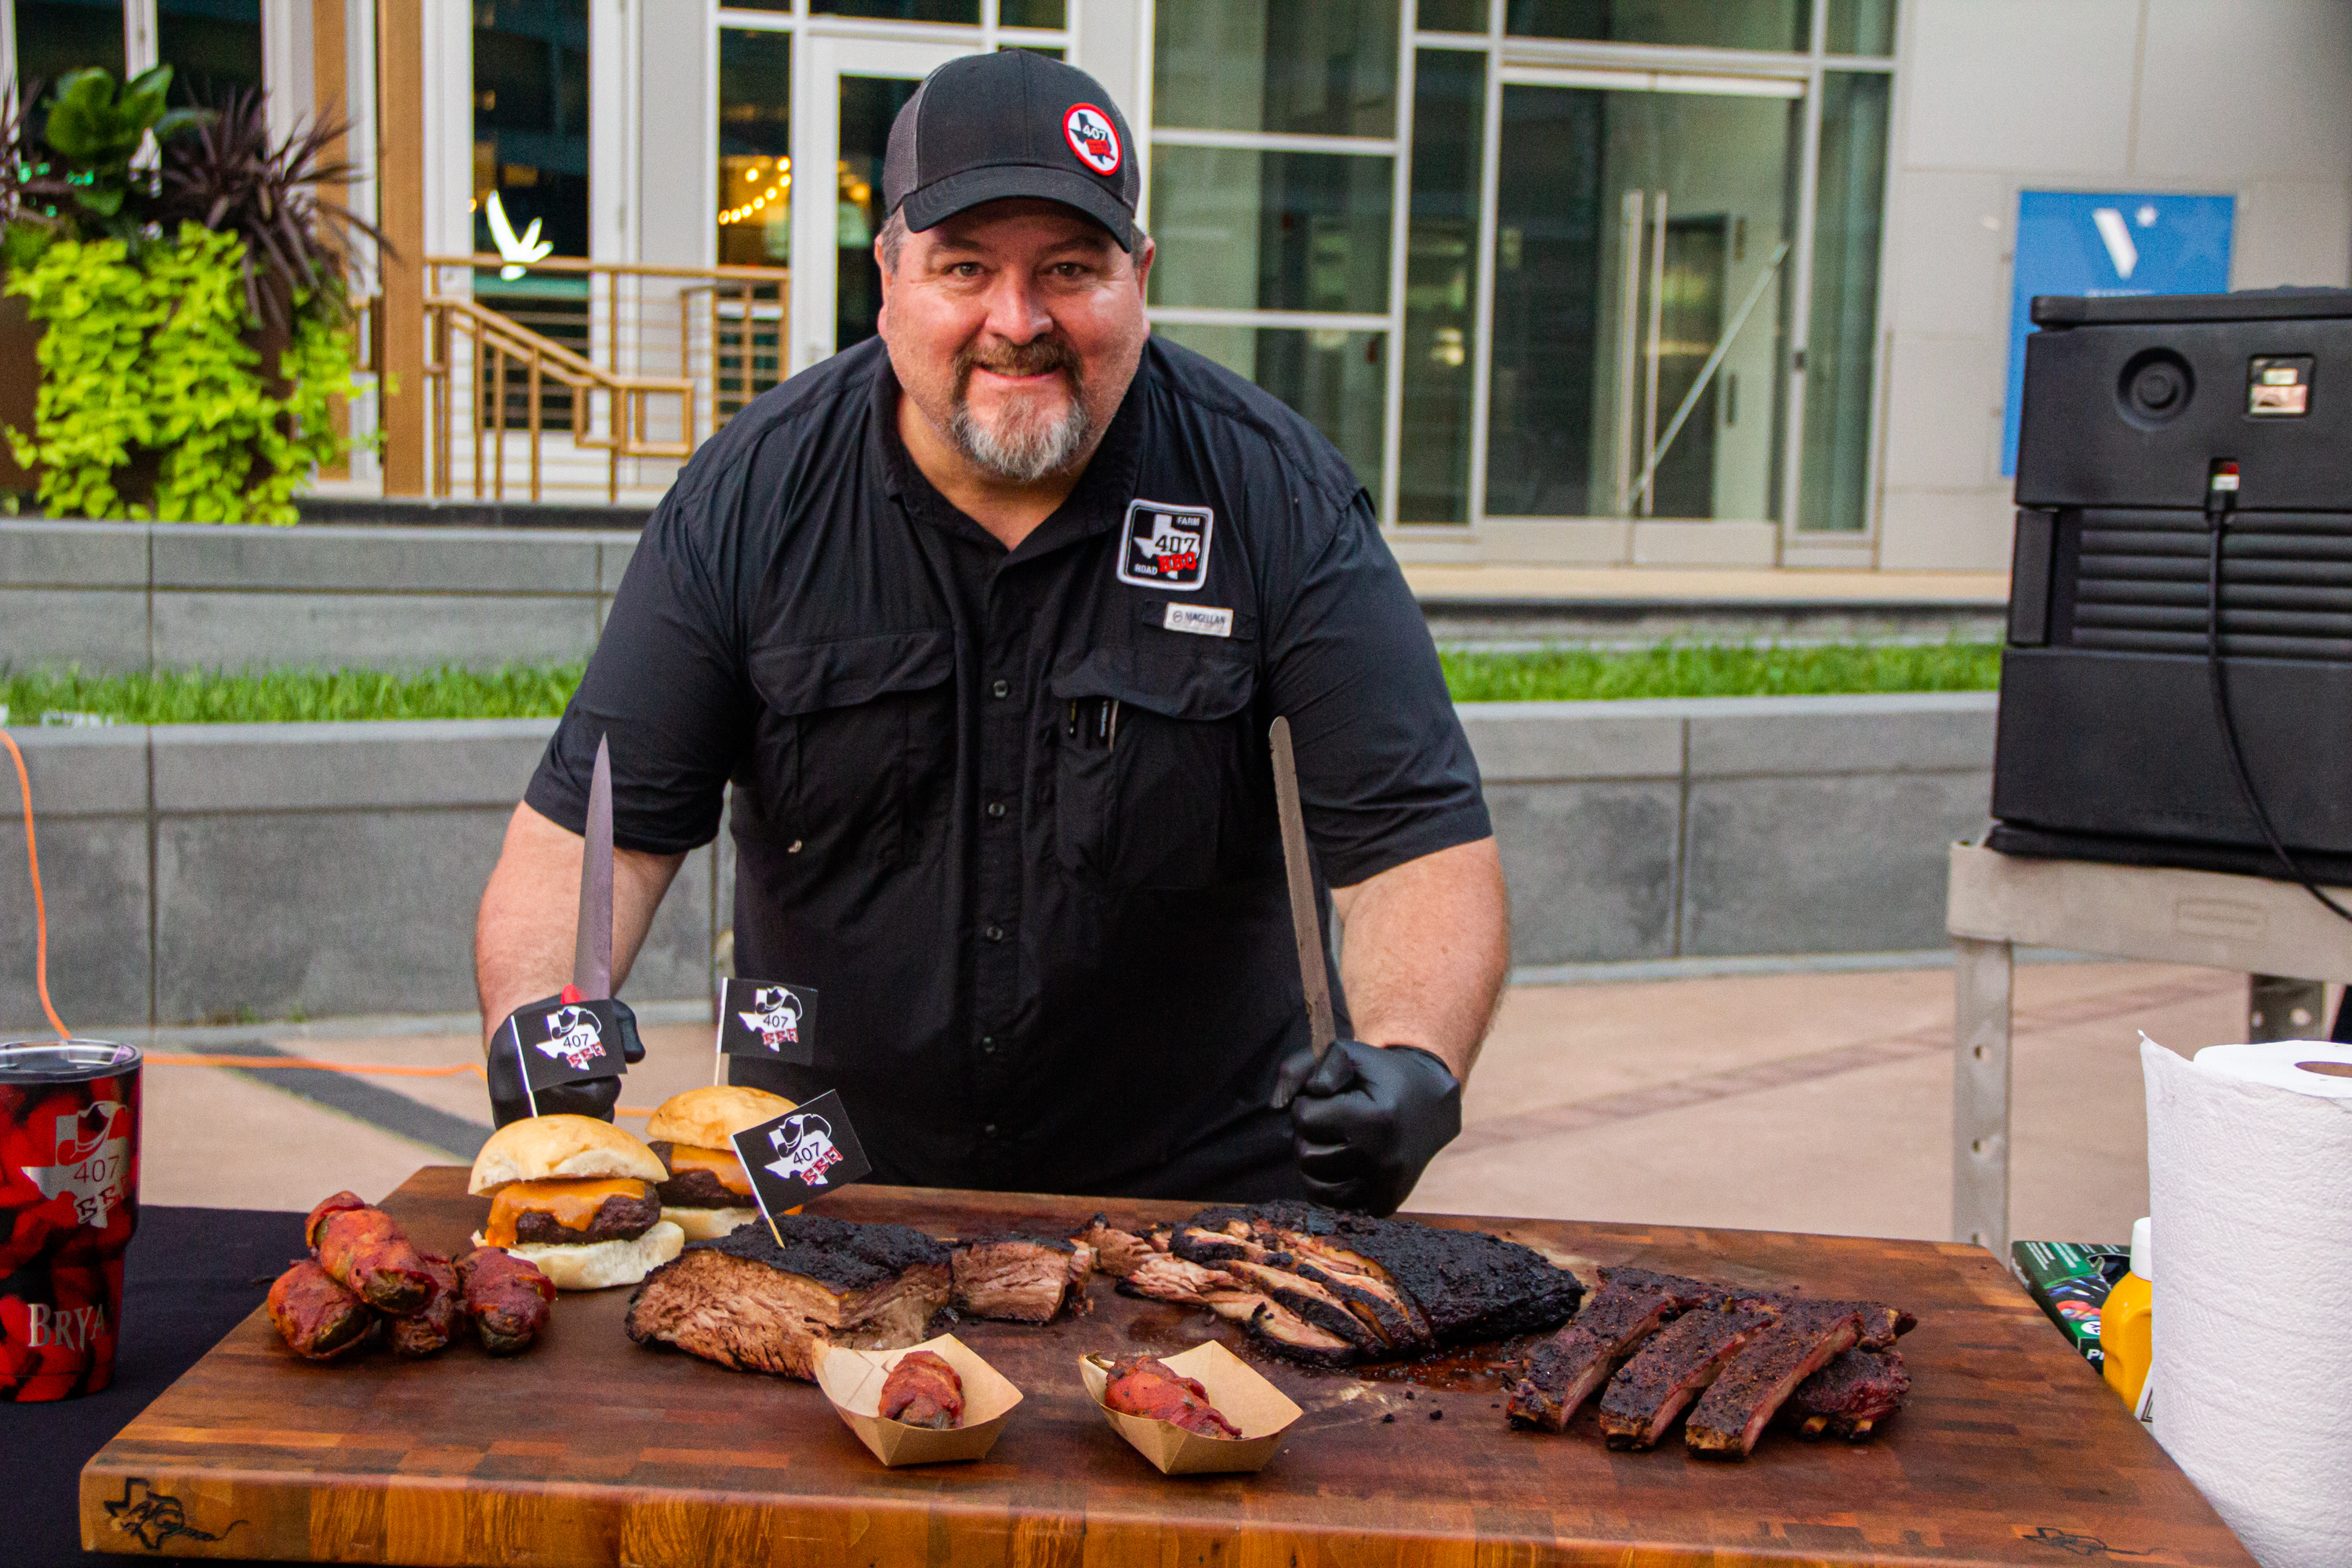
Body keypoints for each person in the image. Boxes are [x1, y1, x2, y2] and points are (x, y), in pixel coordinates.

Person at [474, 51, 1508, 1216]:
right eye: (965, 267)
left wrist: (1417, 1061)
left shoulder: (1275, 498)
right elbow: (597, 834)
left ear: (1141, 276)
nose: (1017, 323)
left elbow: (1413, 844)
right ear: (888, 276)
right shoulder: (750, 498)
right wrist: (537, 1024)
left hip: (1195, 1212)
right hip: (826, 1196)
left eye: (1070, 269)